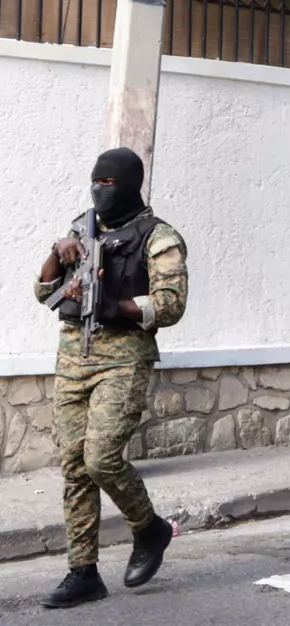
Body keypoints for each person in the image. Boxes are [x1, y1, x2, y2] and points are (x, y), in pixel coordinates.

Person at [34, 147, 189, 608]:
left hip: (123, 360)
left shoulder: (159, 237)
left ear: (128, 185)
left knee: (101, 459)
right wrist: (55, 253)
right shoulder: (80, 229)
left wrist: (116, 306)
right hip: (73, 360)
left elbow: (171, 305)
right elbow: (44, 292)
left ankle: (149, 529)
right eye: (94, 182)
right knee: (74, 468)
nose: (99, 191)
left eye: (108, 184)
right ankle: (82, 573)